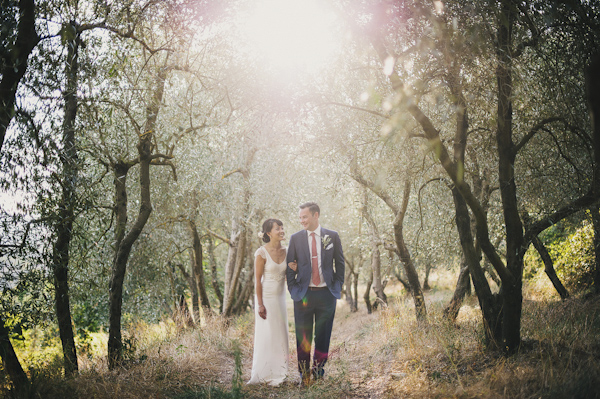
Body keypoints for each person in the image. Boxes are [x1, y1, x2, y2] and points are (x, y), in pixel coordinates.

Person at [286, 202, 345, 386]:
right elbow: (289, 267)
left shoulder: (332, 236)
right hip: (303, 295)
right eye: (300, 217)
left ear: (316, 215)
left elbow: (340, 264)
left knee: (323, 335)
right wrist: (294, 289)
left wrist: (336, 286)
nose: (302, 220)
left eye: (305, 217)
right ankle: (304, 375)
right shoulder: (295, 238)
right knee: (303, 336)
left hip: (326, 295)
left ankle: (318, 372)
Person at [247, 218, 293, 386]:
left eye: (282, 227)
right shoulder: (261, 252)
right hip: (265, 298)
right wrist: (260, 304)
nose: (281, 230)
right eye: (277, 228)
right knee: (266, 334)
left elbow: (290, 277)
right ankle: (263, 372)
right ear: (268, 233)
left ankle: (280, 371)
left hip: (280, 298)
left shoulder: (288, 251)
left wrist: (294, 269)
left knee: (280, 333)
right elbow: (257, 281)